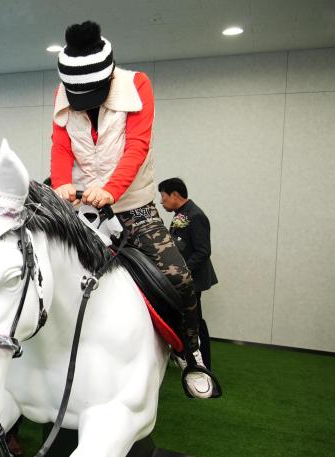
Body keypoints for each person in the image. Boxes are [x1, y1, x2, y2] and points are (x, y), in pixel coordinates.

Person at [50, 21, 214, 398]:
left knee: (180, 279)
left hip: (133, 208)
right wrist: (61, 181)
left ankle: (192, 355)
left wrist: (110, 190)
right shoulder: (63, 93)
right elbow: (60, 145)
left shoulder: (137, 84)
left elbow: (137, 147)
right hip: (81, 208)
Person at [159, 178, 218, 370]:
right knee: (183, 318)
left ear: (175, 195)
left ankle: (204, 364)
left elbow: (203, 251)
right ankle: (183, 355)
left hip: (193, 279)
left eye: (164, 196)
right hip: (182, 279)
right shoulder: (181, 214)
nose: (161, 201)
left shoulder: (196, 215)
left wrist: (182, 272)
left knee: (196, 321)